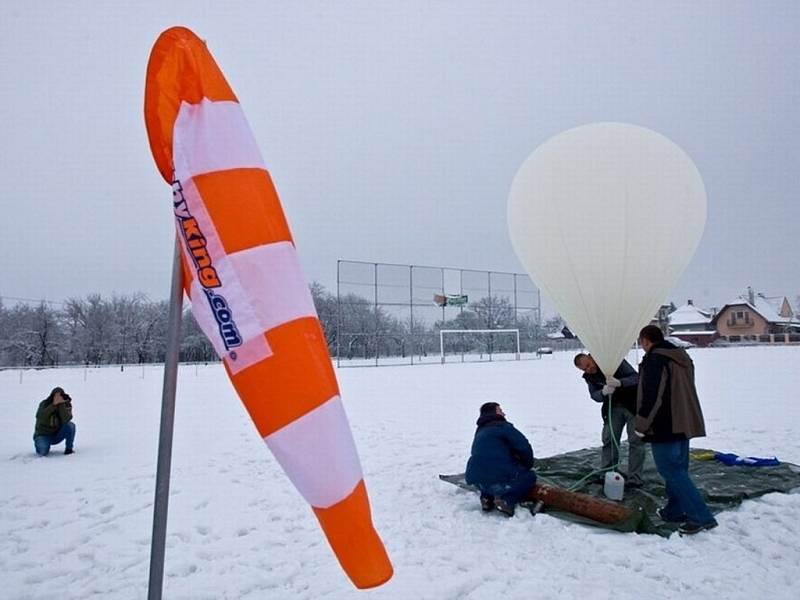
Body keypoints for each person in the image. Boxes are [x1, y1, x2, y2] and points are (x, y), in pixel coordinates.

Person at [636, 325, 717, 535]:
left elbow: (652, 395)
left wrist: (642, 424)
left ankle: (699, 517)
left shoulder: (656, 360)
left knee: (670, 470)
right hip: (685, 421)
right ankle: (675, 509)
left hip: (665, 424)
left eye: (641, 343)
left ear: (645, 341)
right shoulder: (680, 357)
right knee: (678, 469)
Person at [574, 353, 645, 487]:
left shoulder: (613, 361)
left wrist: (620, 383)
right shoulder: (589, 376)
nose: (588, 370)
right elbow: (594, 395)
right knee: (609, 439)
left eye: (588, 365)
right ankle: (608, 472)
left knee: (636, 441)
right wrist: (603, 392)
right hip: (613, 408)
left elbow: (636, 377)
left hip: (633, 406)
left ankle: (635, 478)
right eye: (584, 369)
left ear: (592, 358)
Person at [465, 402, 536, 517]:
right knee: (530, 477)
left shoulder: (480, 431)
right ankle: (506, 500)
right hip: (498, 478)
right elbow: (523, 446)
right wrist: (528, 464)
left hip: (477, 480)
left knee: (488, 473)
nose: (504, 413)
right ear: (495, 412)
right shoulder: (503, 427)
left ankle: (486, 498)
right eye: (500, 410)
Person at [33, 387, 76, 456]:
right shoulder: (44, 404)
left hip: (56, 435)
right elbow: (41, 417)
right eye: (56, 396)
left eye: (60, 395)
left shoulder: (66, 404)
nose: (58, 398)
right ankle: (41, 445)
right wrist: (53, 405)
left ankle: (69, 449)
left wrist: (61, 405)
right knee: (43, 452)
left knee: (71, 425)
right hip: (43, 435)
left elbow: (66, 419)